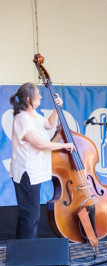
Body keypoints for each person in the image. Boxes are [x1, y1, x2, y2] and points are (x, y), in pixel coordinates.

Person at [9, 82, 75, 239]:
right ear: (28, 98)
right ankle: (26, 256)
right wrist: (63, 145)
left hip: (33, 172)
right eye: (37, 94)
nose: (40, 96)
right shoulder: (22, 118)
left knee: (29, 215)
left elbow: (50, 124)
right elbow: (38, 143)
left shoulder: (33, 116)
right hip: (26, 173)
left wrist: (57, 108)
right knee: (30, 216)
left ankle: (22, 254)